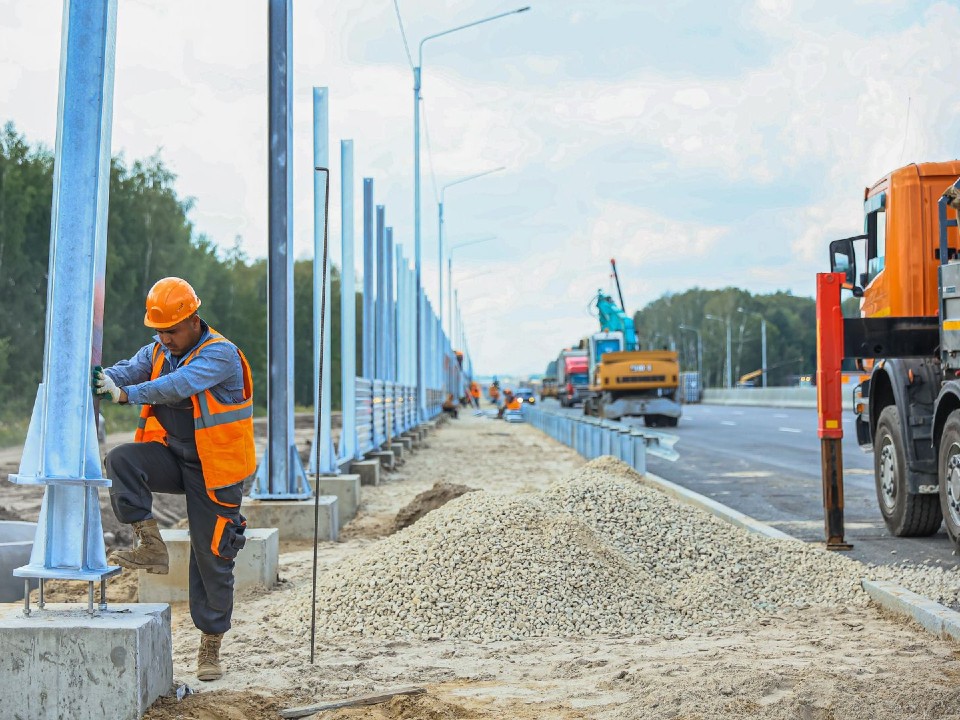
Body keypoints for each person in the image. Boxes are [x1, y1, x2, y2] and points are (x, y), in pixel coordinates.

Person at [93, 277, 255, 682]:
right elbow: (127, 371)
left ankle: (211, 644)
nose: (165, 338)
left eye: (172, 329)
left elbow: (175, 386)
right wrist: (97, 380)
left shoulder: (221, 355)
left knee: (212, 554)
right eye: (159, 331)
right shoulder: (157, 350)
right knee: (123, 460)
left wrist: (126, 395)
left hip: (215, 469)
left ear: (194, 320)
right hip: (176, 456)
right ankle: (151, 544)